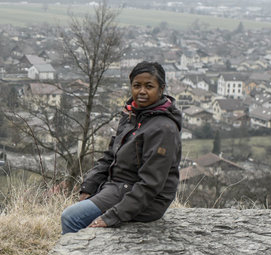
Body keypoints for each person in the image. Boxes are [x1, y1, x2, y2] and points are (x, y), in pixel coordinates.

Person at [61, 61, 182, 234]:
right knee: (81, 210)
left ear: (161, 89)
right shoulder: (133, 115)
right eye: (137, 85)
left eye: (149, 86)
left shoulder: (163, 128)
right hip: (118, 186)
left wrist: (112, 216)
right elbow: (111, 155)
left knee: (71, 217)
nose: (142, 91)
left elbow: (150, 185)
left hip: (143, 198)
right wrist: (89, 186)